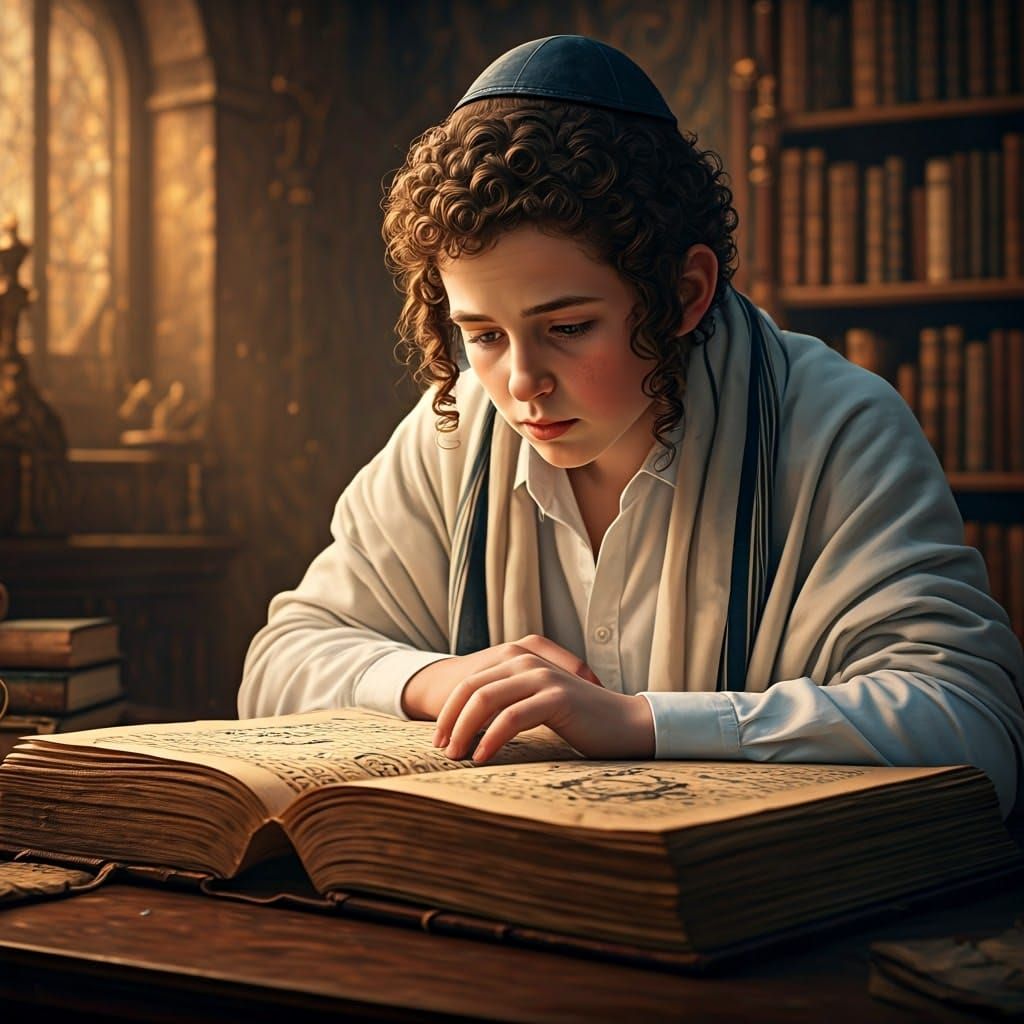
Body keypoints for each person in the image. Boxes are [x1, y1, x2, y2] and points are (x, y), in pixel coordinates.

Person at [239, 35, 1024, 817]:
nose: (521, 383)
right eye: (482, 334)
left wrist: (641, 723)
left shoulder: (837, 428)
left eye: (570, 327)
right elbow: (280, 663)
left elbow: (974, 726)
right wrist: (439, 679)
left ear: (684, 294)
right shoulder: (455, 429)